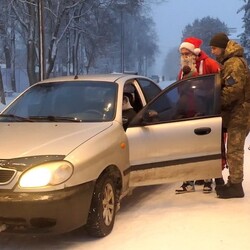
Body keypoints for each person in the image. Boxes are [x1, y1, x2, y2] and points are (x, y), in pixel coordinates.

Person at [175, 37, 224, 194]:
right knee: (188, 149)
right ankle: (188, 181)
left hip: (206, 112)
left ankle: (208, 178)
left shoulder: (208, 63)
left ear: (194, 53)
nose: (184, 57)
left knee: (206, 147)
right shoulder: (182, 70)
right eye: (182, 54)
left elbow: (218, 84)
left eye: (186, 53)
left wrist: (204, 92)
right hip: (188, 113)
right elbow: (179, 88)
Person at [209, 32, 250, 198]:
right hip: (236, 112)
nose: (212, 51)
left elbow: (233, 90)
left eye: (214, 48)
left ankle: (236, 186)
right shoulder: (229, 61)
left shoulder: (233, 63)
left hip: (240, 113)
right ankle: (233, 182)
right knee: (232, 149)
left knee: (234, 150)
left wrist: (215, 103)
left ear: (222, 48)